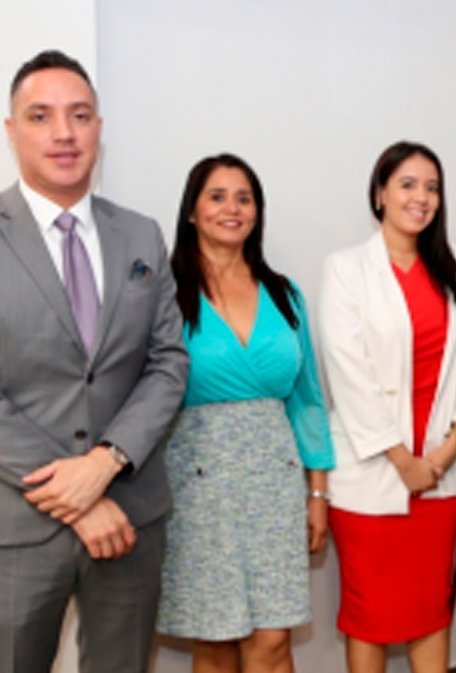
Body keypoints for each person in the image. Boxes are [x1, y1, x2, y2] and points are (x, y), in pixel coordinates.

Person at [0, 50, 188, 673]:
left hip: (131, 515)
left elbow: (167, 363)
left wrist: (106, 463)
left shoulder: (141, 235)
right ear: (11, 130)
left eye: (79, 115)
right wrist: (76, 495)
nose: (63, 133)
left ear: (99, 129)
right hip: (18, 527)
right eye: (41, 116)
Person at [156, 153, 334, 673]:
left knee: (273, 641)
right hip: (197, 486)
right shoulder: (164, 294)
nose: (232, 208)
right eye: (217, 196)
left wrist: (317, 492)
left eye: (244, 197)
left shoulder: (284, 293)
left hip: (275, 485)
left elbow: (306, 400)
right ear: (192, 211)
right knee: (215, 640)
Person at [317, 141, 456, 673]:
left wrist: (446, 451)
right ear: (380, 193)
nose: (422, 197)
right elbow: (349, 375)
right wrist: (402, 460)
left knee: (431, 609)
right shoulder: (346, 269)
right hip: (369, 474)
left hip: (442, 473)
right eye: (408, 184)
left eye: (432, 187)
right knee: (370, 613)